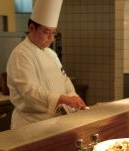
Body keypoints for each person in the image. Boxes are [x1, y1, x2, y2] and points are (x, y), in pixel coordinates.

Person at [7, 0, 86, 129]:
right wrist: (62, 99)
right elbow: (29, 92)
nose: (51, 38)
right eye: (46, 32)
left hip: (54, 124)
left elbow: (64, 81)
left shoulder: (51, 54)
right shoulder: (20, 54)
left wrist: (73, 98)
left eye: (53, 33)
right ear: (31, 28)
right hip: (30, 127)